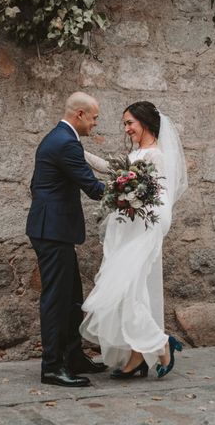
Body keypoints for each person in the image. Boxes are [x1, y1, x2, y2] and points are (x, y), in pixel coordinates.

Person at [80, 101, 188, 379]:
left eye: (130, 123)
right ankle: (138, 355)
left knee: (127, 288)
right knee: (131, 291)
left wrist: (133, 199)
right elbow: (111, 169)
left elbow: (160, 198)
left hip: (145, 229)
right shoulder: (137, 153)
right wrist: (78, 149)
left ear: (145, 123)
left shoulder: (156, 156)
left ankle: (159, 343)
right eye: (125, 123)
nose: (126, 129)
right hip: (128, 228)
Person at [26, 92, 108, 387]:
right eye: (95, 117)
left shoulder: (60, 138)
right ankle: (51, 367)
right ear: (80, 115)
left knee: (72, 296)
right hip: (52, 230)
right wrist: (129, 191)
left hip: (53, 229)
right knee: (57, 300)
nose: (96, 123)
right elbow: (93, 187)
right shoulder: (66, 143)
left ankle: (73, 356)